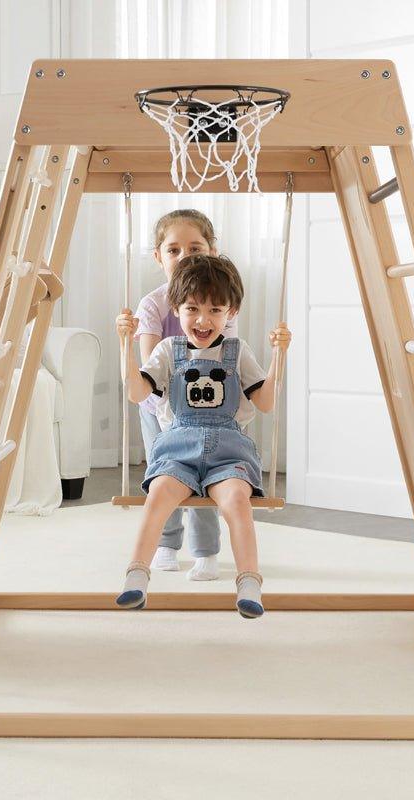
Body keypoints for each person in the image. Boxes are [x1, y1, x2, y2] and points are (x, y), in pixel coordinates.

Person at [115, 254, 291, 618]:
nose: (202, 320)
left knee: (237, 501)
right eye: (192, 308)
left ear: (231, 311)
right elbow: (136, 392)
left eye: (214, 310)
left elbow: (266, 402)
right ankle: (137, 575)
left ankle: (249, 583)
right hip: (177, 452)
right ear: (176, 308)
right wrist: (125, 345)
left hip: (228, 454)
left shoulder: (237, 352)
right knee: (159, 494)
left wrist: (279, 356)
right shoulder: (168, 351)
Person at [134, 210, 236, 581]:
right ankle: (166, 543)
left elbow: (225, 356)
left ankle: (205, 550)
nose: (184, 257)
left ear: (212, 251)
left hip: (207, 408)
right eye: (173, 250)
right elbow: (150, 366)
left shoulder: (220, 302)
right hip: (158, 406)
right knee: (166, 474)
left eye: (195, 248)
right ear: (158, 256)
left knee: (204, 473)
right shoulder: (153, 304)